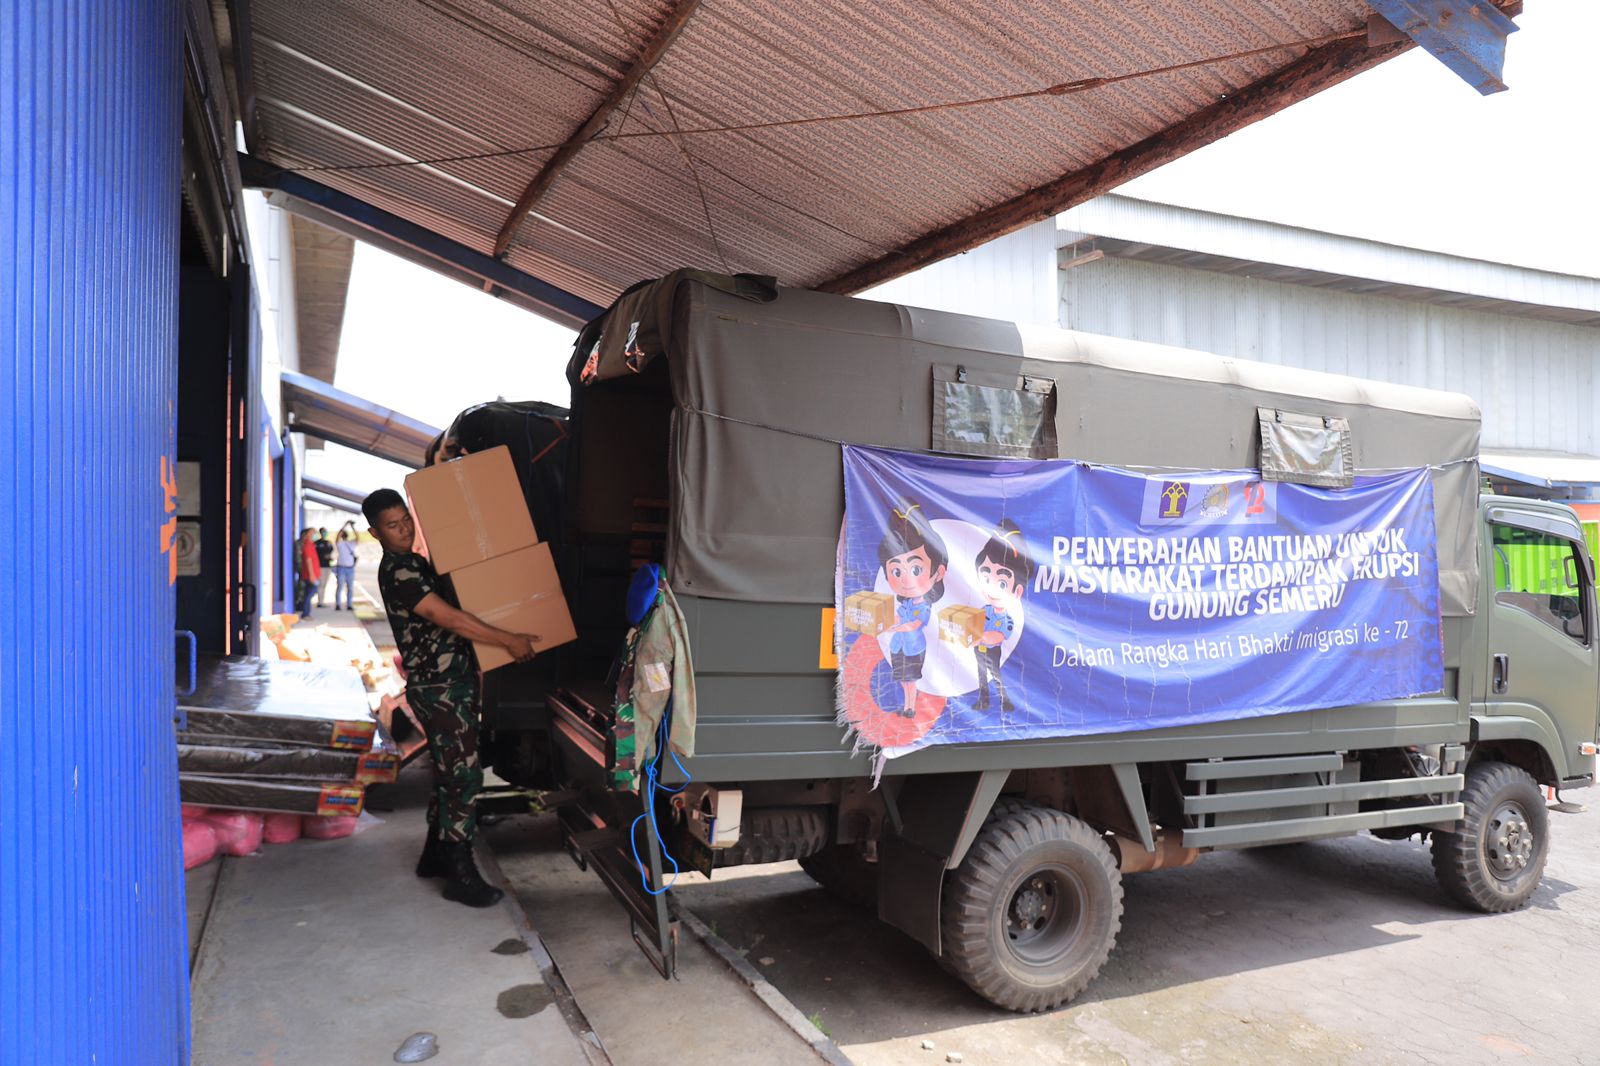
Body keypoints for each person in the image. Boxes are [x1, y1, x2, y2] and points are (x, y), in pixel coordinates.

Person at [362, 487, 541, 908]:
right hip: (440, 688)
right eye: (392, 525)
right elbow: (447, 618)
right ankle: (460, 873)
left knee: (448, 773)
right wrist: (508, 640)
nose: (404, 529)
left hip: (448, 683)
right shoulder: (401, 572)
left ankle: (434, 856)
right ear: (375, 532)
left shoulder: (415, 563)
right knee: (464, 778)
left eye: (406, 520)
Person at [296, 528, 321, 618]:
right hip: (310, 575)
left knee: (309, 593)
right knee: (309, 594)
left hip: (313, 574)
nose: (314, 534)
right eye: (312, 533)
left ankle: (306, 613)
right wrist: (312, 575)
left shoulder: (311, 544)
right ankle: (305, 613)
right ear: (307, 534)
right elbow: (308, 560)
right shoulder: (307, 545)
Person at [333, 527, 358, 611]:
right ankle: (339, 604)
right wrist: (351, 526)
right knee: (344, 587)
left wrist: (346, 526)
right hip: (342, 568)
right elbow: (357, 536)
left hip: (348, 568)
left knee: (345, 587)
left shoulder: (351, 543)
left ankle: (347, 604)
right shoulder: (341, 544)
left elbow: (357, 537)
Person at [314, 527, 335, 607]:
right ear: (320, 533)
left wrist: (330, 557)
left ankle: (322, 601)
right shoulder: (316, 543)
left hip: (328, 566)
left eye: (325, 532)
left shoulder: (328, 543)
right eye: (323, 532)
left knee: (324, 584)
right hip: (320, 566)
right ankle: (320, 602)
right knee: (321, 584)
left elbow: (333, 552)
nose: (324, 533)